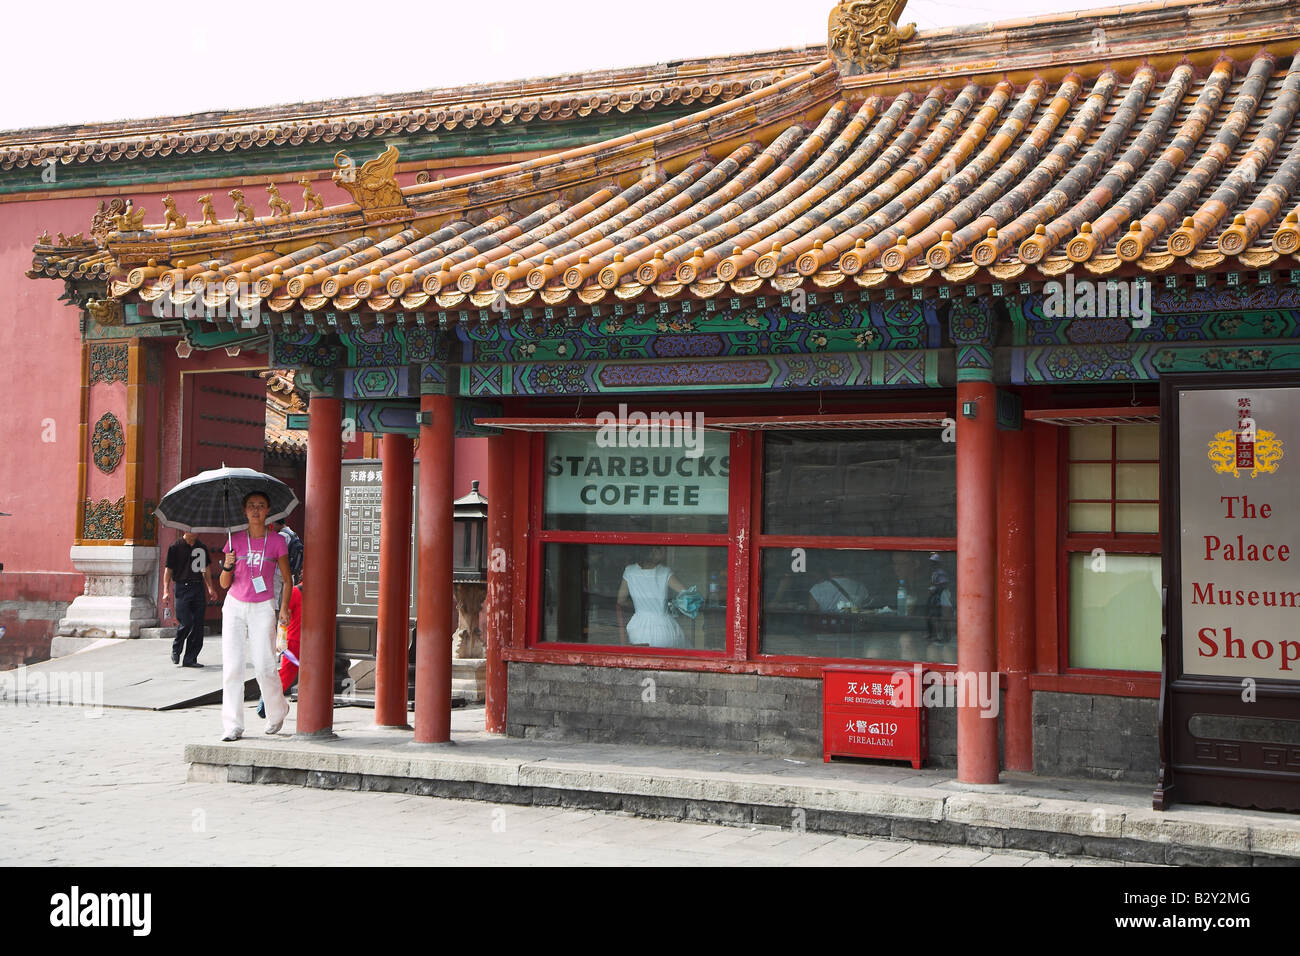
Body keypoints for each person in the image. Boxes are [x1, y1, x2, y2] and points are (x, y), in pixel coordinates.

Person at [218, 492, 293, 740]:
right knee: (233, 667)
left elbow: (286, 578)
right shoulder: (234, 541)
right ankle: (233, 725)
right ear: (244, 511)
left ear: (268, 509)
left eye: (261, 505)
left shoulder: (277, 542)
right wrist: (228, 564)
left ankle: (277, 711)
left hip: (262, 607)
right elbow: (224, 583)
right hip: (235, 606)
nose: (256, 510)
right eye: (251, 506)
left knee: (265, 665)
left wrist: (284, 607)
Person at [161, 531, 219, 667]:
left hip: (198, 588)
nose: (195, 532)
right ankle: (176, 648)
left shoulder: (201, 547)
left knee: (198, 625)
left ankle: (190, 659)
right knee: (186, 621)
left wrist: (210, 587)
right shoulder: (175, 547)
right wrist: (165, 590)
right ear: (186, 530)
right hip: (182, 587)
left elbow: (205, 569)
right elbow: (168, 570)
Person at [617, 546, 688, 648]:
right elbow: (686, 594)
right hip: (663, 628)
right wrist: (675, 605)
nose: (665, 553)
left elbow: (621, 600)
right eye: (663, 550)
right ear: (654, 551)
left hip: (638, 628)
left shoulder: (629, 571)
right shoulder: (664, 572)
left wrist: (640, 606)